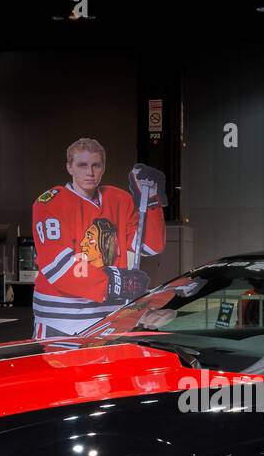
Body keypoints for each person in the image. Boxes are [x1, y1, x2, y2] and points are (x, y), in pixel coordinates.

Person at [31, 137, 166, 337]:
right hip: (60, 323)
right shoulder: (50, 203)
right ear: (69, 167)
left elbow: (150, 246)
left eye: (96, 165)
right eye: (82, 165)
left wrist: (152, 200)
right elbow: (58, 267)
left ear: (103, 168)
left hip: (109, 320)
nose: (90, 172)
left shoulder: (119, 199)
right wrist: (115, 282)